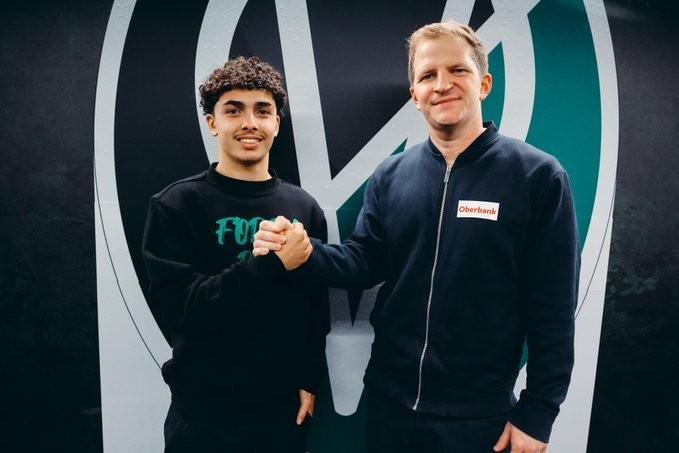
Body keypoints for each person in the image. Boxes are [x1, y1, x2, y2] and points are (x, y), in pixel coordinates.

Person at [253, 21, 579, 453]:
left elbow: (553, 308)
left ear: (483, 83)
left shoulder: (537, 176)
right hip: (391, 406)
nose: (442, 85)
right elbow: (363, 261)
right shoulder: (391, 175)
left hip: (479, 418)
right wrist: (305, 253)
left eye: (458, 70)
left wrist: (538, 413)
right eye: (428, 75)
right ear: (415, 95)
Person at [141, 56, 329, 453]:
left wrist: (309, 378)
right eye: (233, 110)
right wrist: (271, 266)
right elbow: (182, 310)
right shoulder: (177, 205)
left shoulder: (305, 208)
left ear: (276, 123)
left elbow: (314, 309)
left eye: (262, 110)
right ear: (212, 122)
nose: (249, 122)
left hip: (280, 413)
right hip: (203, 416)